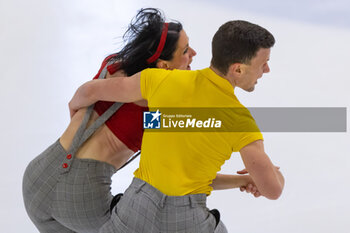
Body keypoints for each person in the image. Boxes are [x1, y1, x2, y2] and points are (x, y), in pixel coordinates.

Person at [69, 20, 285, 233]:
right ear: (237, 70)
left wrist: (74, 115)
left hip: (135, 208)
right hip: (187, 220)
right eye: (263, 63)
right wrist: (272, 176)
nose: (266, 70)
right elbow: (272, 190)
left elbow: (90, 92)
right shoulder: (240, 121)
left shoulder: (161, 80)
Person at [22, 8, 199, 233]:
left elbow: (79, 97)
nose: (194, 52)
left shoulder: (113, 65)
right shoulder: (159, 109)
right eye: (185, 50)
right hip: (83, 199)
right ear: (163, 66)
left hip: (38, 177)